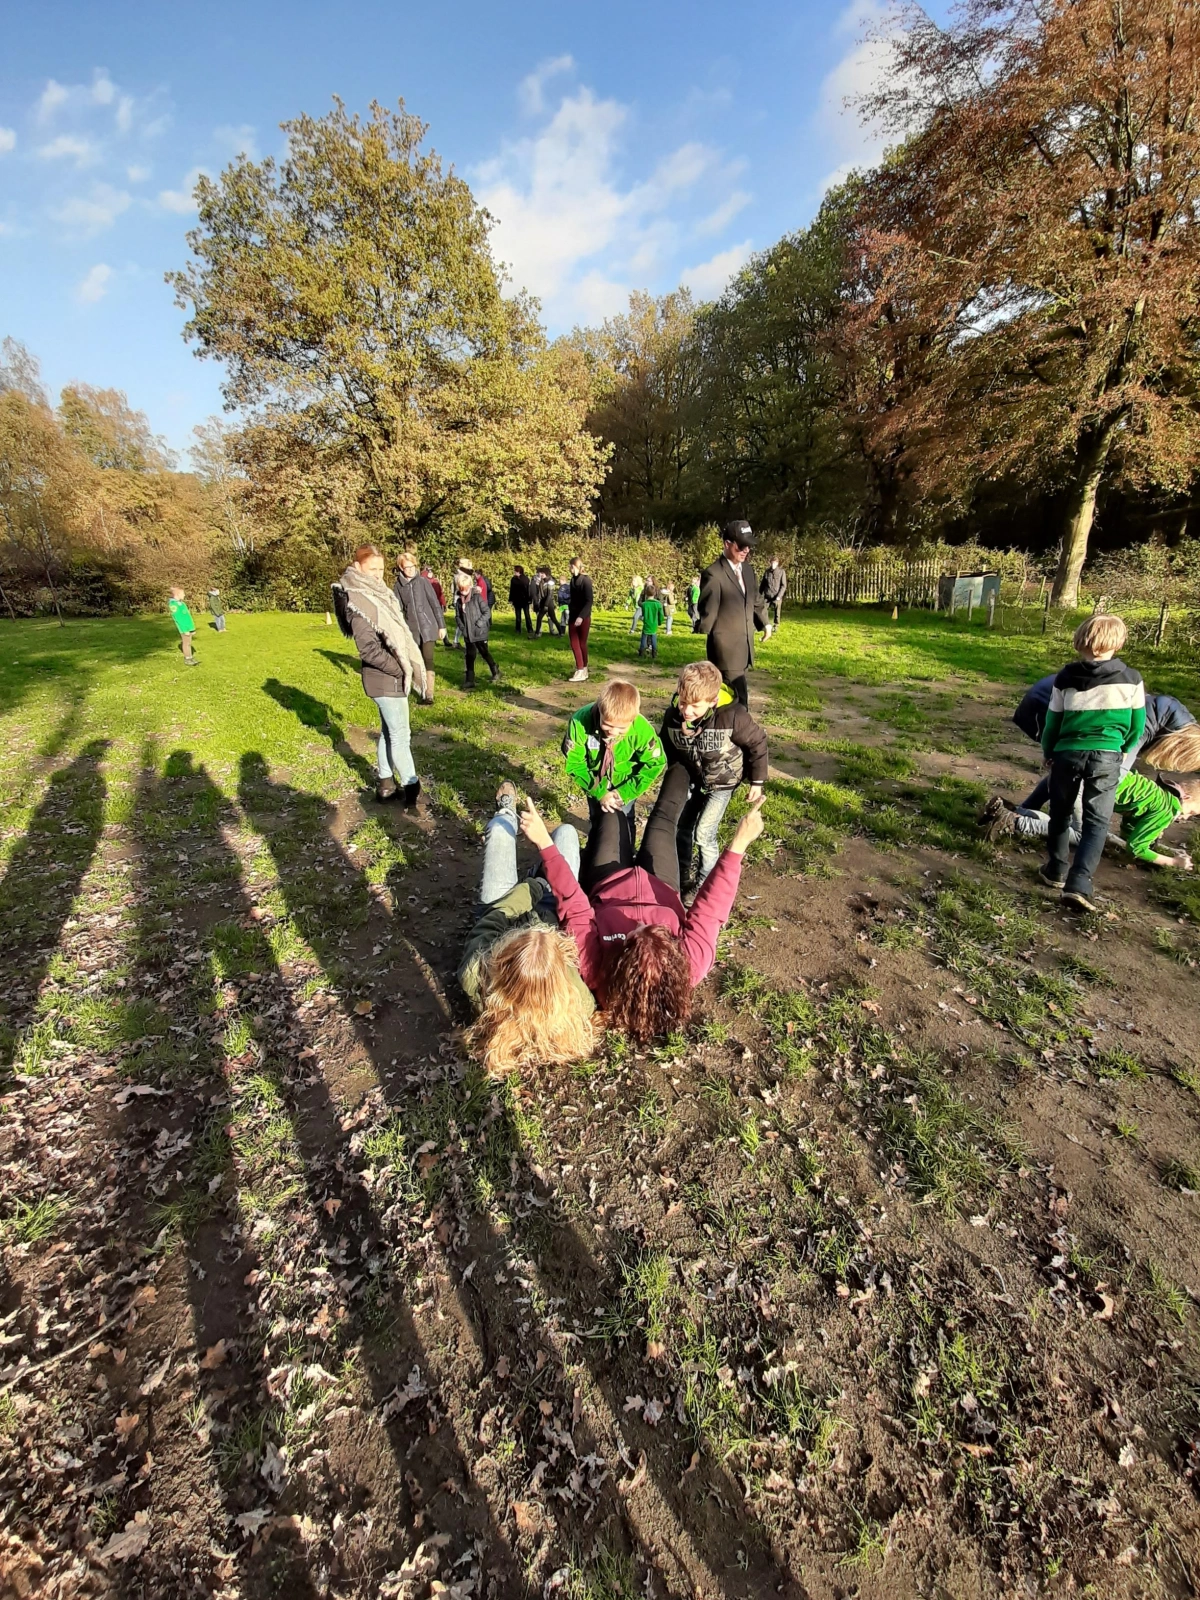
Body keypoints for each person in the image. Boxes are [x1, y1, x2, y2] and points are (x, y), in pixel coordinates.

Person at [519, 770, 766, 1043]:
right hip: (661, 884)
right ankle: (681, 759)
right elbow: (710, 909)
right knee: (662, 821)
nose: (638, 922)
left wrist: (544, 842)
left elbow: (574, 906)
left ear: (621, 965)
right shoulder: (692, 964)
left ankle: (617, 757)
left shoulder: (596, 971)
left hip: (608, 884)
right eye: (655, 930)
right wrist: (738, 846)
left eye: (634, 935)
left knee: (612, 817)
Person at [459, 781, 596, 1076]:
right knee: (567, 833)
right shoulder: (579, 1001)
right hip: (550, 903)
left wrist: (531, 888)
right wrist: (551, 888)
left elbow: (491, 921)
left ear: (501, 959)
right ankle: (541, 862)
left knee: (498, 834)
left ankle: (506, 811)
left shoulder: (475, 974)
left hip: (502, 905)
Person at [984, 679, 1195, 834]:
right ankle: (1015, 822)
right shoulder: (1143, 725)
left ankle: (1022, 810)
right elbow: (1111, 776)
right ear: (1177, 746)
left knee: (1066, 770)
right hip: (1049, 709)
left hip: (1046, 699)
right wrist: (1143, 807)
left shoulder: (1154, 709)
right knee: (1088, 833)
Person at [1040, 614, 1146, 912]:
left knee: (1060, 812)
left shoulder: (1065, 677)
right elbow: (1138, 724)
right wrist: (1123, 748)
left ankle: (1056, 869)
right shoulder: (1131, 679)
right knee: (1097, 821)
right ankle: (1080, 882)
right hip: (1107, 755)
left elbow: (1053, 720)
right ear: (1118, 642)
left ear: (1080, 640)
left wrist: (1048, 749)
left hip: (1067, 752)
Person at [984, 730, 1200, 871]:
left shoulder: (1158, 794)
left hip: (1074, 770)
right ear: (1186, 797)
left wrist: (1161, 845)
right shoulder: (1166, 811)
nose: (1185, 817)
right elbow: (1135, 848)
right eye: (1191, 812)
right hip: (1083, 788)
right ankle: (1014, 822)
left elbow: (1129, 835)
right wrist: (1173, 862)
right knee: (1082, 834)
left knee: (1078, 827)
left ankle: (1014, 812)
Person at [661, 659, 769, 895]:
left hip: (723, 782)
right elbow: (666, 745)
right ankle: (680, 878)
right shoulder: (673, 716)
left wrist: (757, 782)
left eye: (695, 707)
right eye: (682, 702)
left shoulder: (733, 716)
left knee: (704, 833)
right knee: (682, 826)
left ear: (713, 701)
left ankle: (703, 887)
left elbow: (757, 743)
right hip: (694, 779)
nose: (686, 711)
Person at [332, 544, 426, 805]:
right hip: (384, 678)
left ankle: (386, 785)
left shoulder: (377, 594)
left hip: (387, 678)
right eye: (372, 568)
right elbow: (368, 650)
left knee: (389, 732)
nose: (377, 574)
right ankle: (411, 786)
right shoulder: (359, 600)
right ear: (358, 567)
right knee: (400, 735)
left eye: (382, 569)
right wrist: (400, 669)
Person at [562, 680, 667, 825]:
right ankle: (596, 841)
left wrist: (624, 793)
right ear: (600, 710)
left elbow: (655, 763)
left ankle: (626, 845)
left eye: (621, 729)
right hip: (594, 779)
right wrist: (599, 793)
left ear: (632, 719)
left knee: (624, 819)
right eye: (607, 724)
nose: (613, 732)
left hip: (625, 781)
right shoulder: (580, 722)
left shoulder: (642, 730)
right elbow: (575, 763)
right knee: (597, 817)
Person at [695, 519, 768, 708]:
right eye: (742, 546)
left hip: (744, 646)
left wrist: (765, 623)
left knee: (728, 701)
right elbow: (707, 607)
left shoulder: (748, 570)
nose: (746, 550)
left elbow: (755, 599)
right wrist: (704, 626)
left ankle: (726, 732)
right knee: (739, 701)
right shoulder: (714, 573)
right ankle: (740, 734)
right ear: (727, 544)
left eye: (749, 546)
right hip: (725, 649)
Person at [393, 549, 447, 704]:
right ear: (401, 568)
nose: (410, 570)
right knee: (415, 661)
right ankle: (419, 688)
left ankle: (429, 695)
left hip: (428, 628)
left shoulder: (423, 582)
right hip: (412, 630)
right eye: (407, 567)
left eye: (412, 566)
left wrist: (441, 626)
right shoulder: (398, 586)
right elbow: (397, 609)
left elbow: (435, 604)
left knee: (428, 659)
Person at [453, 558, 500, 689]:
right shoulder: (458, 602)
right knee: (470, 656)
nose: (463, 592)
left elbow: (487, 612)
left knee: (484, 652)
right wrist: (462, 628)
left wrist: (479, 624)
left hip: (480, 632)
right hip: (468, 633)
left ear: (469, 587)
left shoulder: (477, 598)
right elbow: (457, 617)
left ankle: (495, 670)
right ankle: (469, 679)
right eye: (461, 589)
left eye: (465, 589)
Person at [567, 555, 594, 683]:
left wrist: (581, 617)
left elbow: (589, 601)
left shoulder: (586, 581)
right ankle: (580, 668)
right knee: (574, 643)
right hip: (573, 616)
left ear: (574, 566)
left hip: (583, 617)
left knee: (581, 643)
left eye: (570, 566)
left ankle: (583, 669)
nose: (569, 569)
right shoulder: (572, 580)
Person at [168, 586, 199, 666]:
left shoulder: (182, 604)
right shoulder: (173, 605)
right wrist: (185, 630)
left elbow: (187, 617)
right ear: (177, 595)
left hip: (188, 627)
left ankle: (190, 657)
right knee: (186, 643)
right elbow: (179, 619)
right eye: (183, 593)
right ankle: (187, 658)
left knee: (189, 643)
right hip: (183, 628)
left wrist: (192, 628)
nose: (184, 595)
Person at [760, 557, 786, 637]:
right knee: (763, 610)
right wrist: (759, 594)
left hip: (776, 596)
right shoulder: (767, 572)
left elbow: (783, 585)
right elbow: (763, 584)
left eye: (774, 563)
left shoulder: (781, 572)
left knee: (777, 612)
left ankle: (776, 625)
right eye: (772, 562)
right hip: (767, 595)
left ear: (777, 563)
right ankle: (765, 624)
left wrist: (779, 596)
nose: (773, 564)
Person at [534, 567, 564, 636]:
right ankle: (561, 633)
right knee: (551, 618)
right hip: (544, 601)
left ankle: (537, 634)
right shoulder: (543, 581)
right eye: (540, 573)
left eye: (542, 573)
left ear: (546, 573)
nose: (540, 574)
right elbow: (539, 592)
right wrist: (537, 584)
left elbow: (549, 595)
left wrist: (546, 605)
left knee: (551, 618)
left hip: (548, 602)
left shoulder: (550, 581)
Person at [637, 585, 665, 659]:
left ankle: (641, 652)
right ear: (655, 593)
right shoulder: (658, 604)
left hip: (646, 623)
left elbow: (643, 615)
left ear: (646, 593)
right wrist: (659, 622)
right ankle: (654, 653)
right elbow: (661, 615)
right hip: (654, 624)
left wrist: (642, 618)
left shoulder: (644, 604)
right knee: (654, 638)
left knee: (643, 638)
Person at [509, 567, 534, 634]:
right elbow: (512, 590)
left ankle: (530, 629)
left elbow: (529, 590)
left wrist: (529, 599)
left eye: (515, 571)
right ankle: (518, 629)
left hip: (524, 600)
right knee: (518, 616)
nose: (514, 572)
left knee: (527, 615)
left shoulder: (525, 579)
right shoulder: (513, 579)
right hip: (517, 600)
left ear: (518, 571)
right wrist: (511, 599)